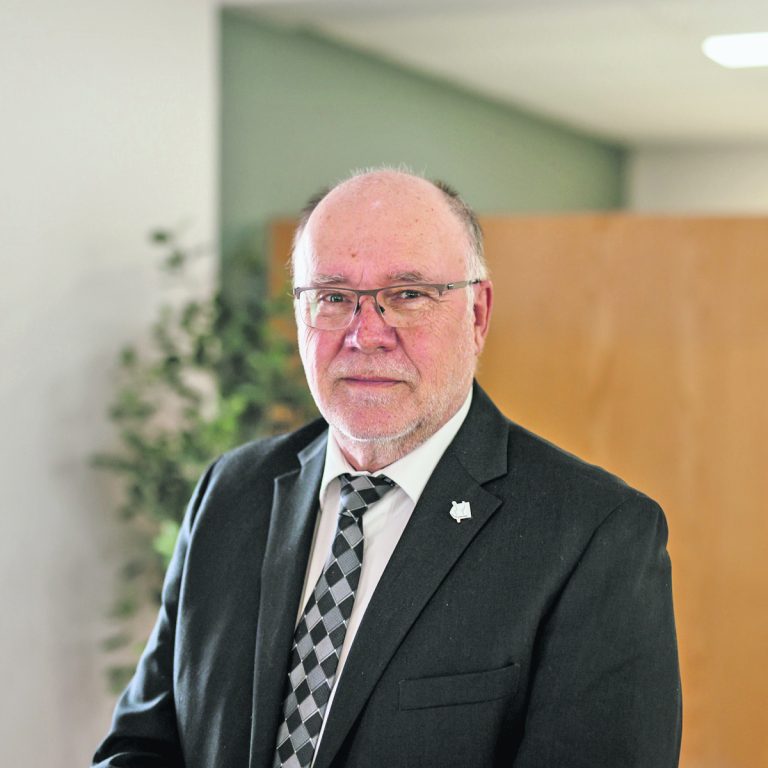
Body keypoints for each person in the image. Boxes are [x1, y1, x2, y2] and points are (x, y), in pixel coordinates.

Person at [93, 168, 682, 768]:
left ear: (477, 314)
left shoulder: (593, 534)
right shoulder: (230, 492)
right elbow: (142, 746)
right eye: (333, 297)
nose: (366, 334)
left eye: (408, 295)